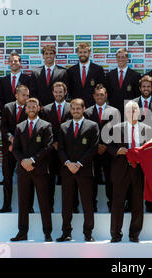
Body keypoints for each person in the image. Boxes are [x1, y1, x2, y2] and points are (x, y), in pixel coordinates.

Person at [106, 101, 152, 243]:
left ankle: (134, 234)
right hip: (121, 169)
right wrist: (116, 151)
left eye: (134, 110)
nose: (132, 113)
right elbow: (108, 145)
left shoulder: (146, 129)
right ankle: (115, 234)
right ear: (125, 113)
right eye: (129, 111)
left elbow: (150, 146)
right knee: (117, 202)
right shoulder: (116, 128)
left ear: (139, 113)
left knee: (138, 203)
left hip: (139, 170)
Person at [56, 98, 99, 242]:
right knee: (66, 203)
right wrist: (68, 164)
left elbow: (93, 149)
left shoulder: (92, 126)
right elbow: (60, 149)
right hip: (67, 170)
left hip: (84, 170)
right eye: (73, 108)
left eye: (78, 108)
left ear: (84, 109)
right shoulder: (63, 127)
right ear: (70, 110)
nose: (75, 111)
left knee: (87, 203)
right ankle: (66, 233)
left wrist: (79, 164)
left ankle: (88, 233)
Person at [10, 98, 53, 242]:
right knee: (23, 202)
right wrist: (23, 161)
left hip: (40, 169)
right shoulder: (19, 126)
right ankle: (22, 232)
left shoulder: (46, 126)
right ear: (25, 109)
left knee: (44, 202)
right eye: (29, 107)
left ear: (39, 108)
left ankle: (47, 232)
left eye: (34, 106)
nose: (31, 109)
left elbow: (48, 147)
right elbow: (15, 148)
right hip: (23, 170)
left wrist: (33, 160)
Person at [84, 84, 121, 212]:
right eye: (97, 94)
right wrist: (96, 147)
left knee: (111, 180)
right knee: (92, 180)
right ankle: (92, 205)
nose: (100, 97)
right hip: (93, 153)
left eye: (102, 94)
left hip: (109, 152)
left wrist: (106, 147)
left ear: (106, 95)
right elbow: (86, 133)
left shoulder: (114, 111)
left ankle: (112, 204)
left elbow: (116, 133)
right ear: (94, 96)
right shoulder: (87, 112)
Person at [132, 75, 152, 213]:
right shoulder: (132, 104)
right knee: (136, 176)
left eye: (148, 86)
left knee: (151, 176)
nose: (146, 89)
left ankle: (150, 204)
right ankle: (134, 202)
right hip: (136, 144)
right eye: (143, 86)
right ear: (139, 88)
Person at [0, 85, 32, 213]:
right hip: (9, 150)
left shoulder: (30, 108)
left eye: (28, 95)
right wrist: (10, 138)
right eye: (24, 95)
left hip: (24, 151)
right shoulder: (7, 107)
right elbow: (3, 127)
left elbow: (30, 128)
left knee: (28, 180)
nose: (26, 98)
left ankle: (29, 207)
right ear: (16, 96)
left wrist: (16, 143)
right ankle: (6, 205)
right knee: (7, 178)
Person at [40, 82, 72, 212]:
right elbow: (43, 129)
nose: (58, 94)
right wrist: (53, 142)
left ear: (65, 92)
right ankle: (50, 206)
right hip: (51, 150)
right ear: (52, 93)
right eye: (56, 92)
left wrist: (63, 144)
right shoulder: (46, 110)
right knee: (50, 181)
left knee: (69, 181)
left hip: (68, 151)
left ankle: (72, 206)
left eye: (61, 92)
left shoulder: (72, 108)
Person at [67, 42, 105, 108]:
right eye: (80, 52)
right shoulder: (71, 70)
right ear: (77, 53)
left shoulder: (98, 69)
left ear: (89, 53)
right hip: (76, 107)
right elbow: (69, 90)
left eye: (85, 52)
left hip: (93, 106)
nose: (82, 54)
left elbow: (101, 89)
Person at [105, 48, 141, 116]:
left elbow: (137, 96)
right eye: (118, 57)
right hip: (113, 111)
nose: (120, 59)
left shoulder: (135, 75)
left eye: (123, 57)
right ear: (116, 58)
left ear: (127, 58)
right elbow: (108, 94)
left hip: (129, 112)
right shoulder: (109, 75)